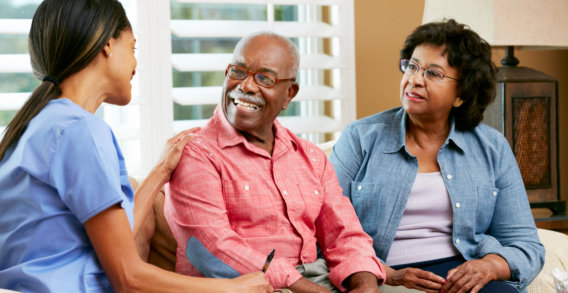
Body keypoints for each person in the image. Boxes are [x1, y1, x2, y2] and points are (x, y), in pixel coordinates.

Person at [0, 1, 273, 292]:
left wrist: (160, 172)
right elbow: (128, 277)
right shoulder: (80, 132)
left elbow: (115, 243)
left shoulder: (33, 126)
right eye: (133, 48)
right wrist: (234, 288)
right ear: (107, 45)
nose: (135, 64)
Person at [329, 19, 545, 293]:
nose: (414, 79)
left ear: (462, 94)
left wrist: (489, 266)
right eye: (412, 66)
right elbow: (325, 230)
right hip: (382, 273)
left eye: (433, 73)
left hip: (462, 273)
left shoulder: (492, 147)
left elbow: (526, 245)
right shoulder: (360, 138)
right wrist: (387, 274)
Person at [164, 31, 386, 293]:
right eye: (238, 72)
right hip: (244, 287)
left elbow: (344, 233)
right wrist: (304, 287)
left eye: (264, 78)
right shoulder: (196, 153)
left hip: (318, 279)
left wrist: (365, 284)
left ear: (289, 93)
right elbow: (210, 247)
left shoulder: (311, 157)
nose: (246, 86)